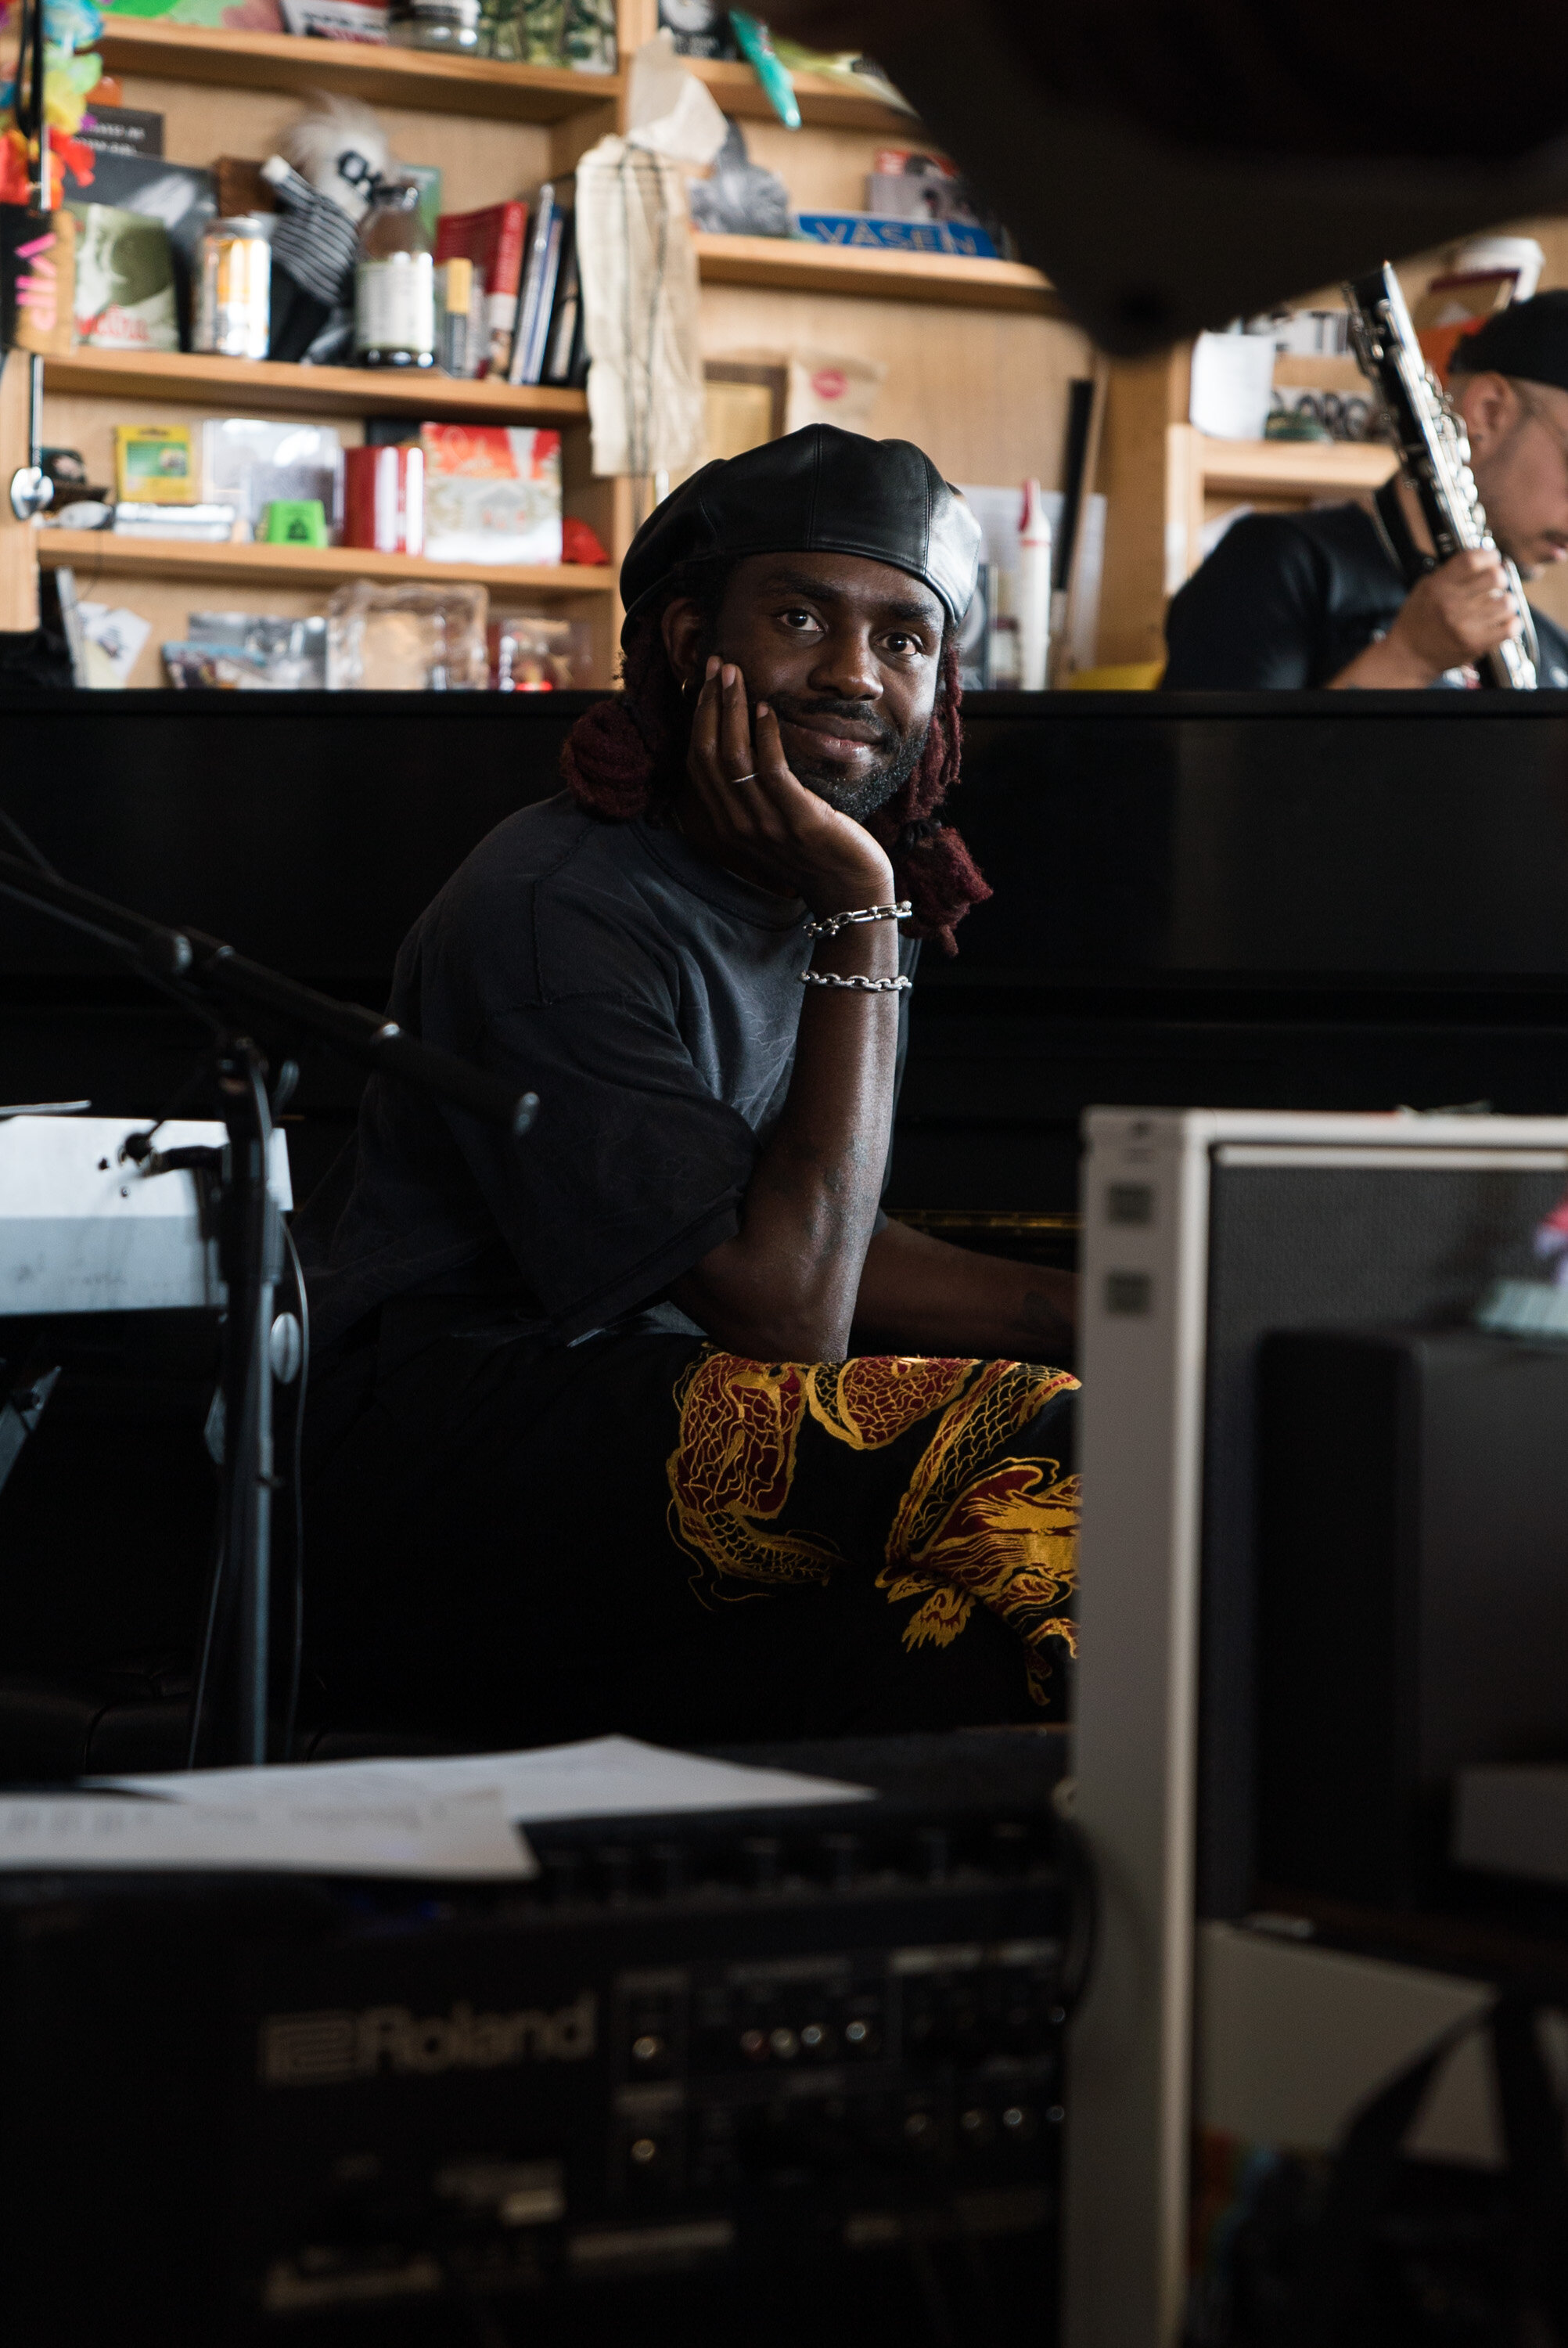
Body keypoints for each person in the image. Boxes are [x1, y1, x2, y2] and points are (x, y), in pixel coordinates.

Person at [296, 425, 1079, 1749]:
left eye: (902, 637)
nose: (851, 672)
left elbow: (805, 1239)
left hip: (676, 1401)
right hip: (465, 1442)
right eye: (795, 617)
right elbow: (783, 1317)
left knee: (1074, 1510)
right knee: (1055, 1445)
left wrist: (1098, 1310)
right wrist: (865, 917)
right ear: (681, 643)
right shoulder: (555, 911)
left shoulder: (793, 880)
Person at [1162, 291, 1568, 690]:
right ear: (1489, 411)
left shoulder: (1554, 652)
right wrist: (1409, 659)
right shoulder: (1277, 567)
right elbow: (1218, 760)